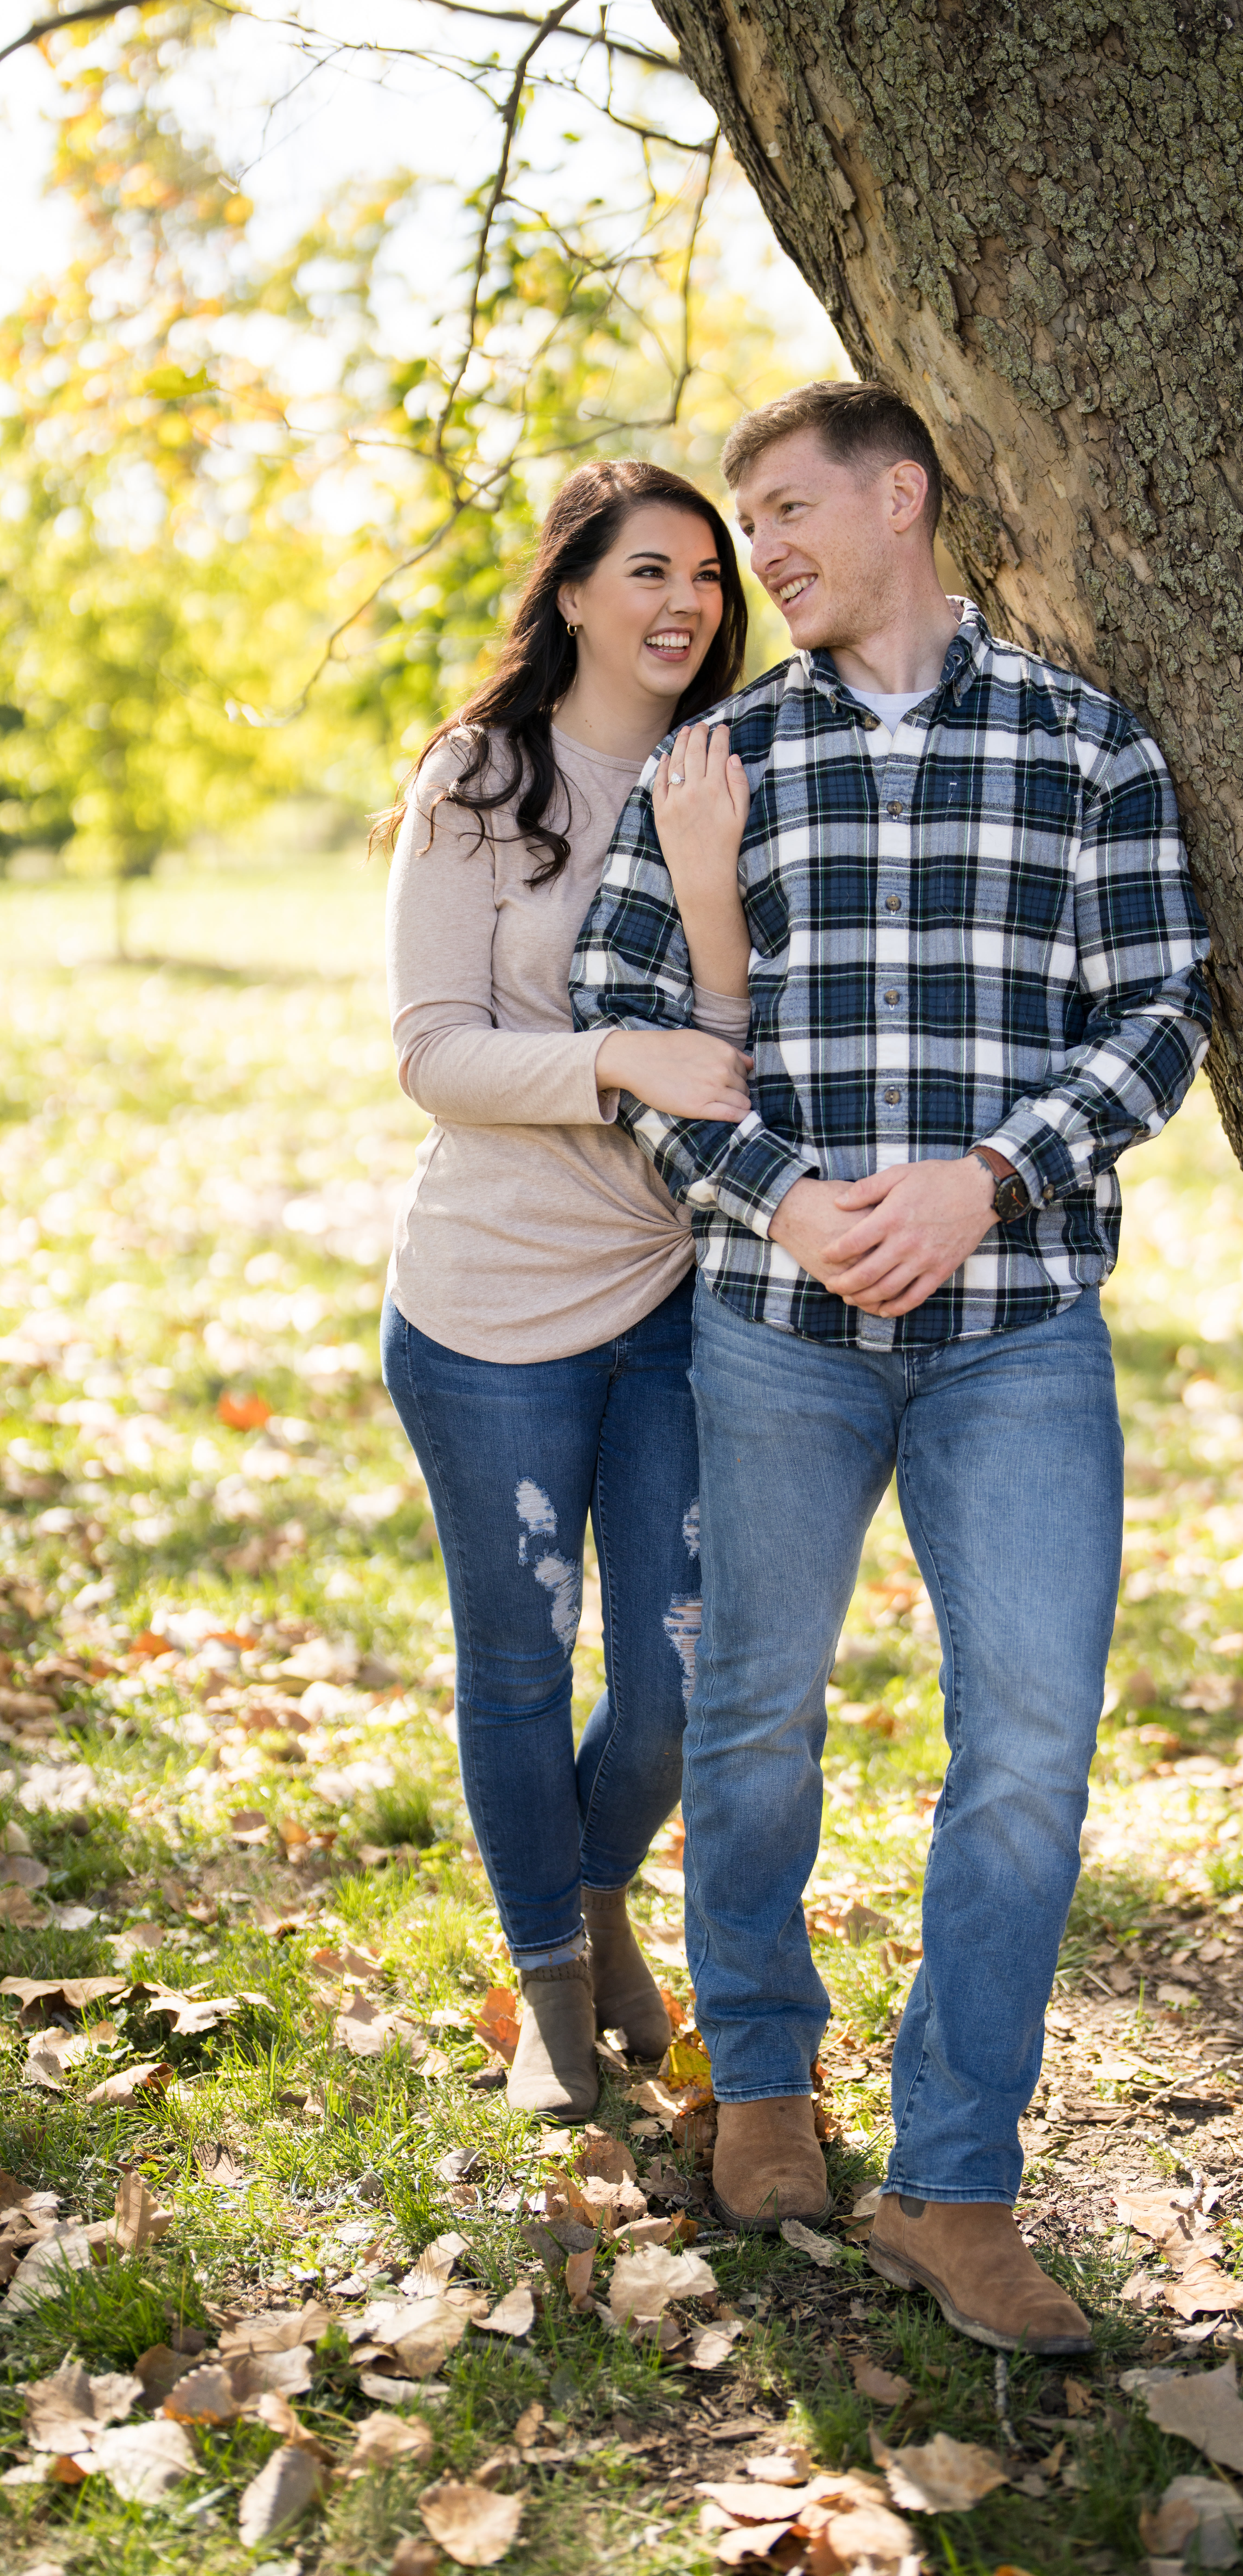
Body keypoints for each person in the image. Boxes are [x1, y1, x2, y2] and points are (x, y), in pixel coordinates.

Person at [570, 383, 1212, 2353]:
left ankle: (958, 2180)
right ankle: (761, 2084)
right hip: (776, 1332)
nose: (758, 555)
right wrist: (780, 1194)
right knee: (753, 1720)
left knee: (1028, 1753)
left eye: (784, 511)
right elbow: (624, 1007)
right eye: (745, 523)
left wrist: (987, 1180)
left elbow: (1163, 1012)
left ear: (903, 495)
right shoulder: (724, 756)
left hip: (1018, 1337)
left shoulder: (1089, 744)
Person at [378, 457, 758, 2120]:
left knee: (679, 1673)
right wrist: (623, 1062)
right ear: (578, 588)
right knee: (522, 1665)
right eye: (651, 570)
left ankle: (599, 1888)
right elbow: (433, 1056)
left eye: (711, 577)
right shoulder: (480, 778)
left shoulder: (741, 769)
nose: (687, 603)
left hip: (682, 1286)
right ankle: (549, 1989)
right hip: (489, 1309)